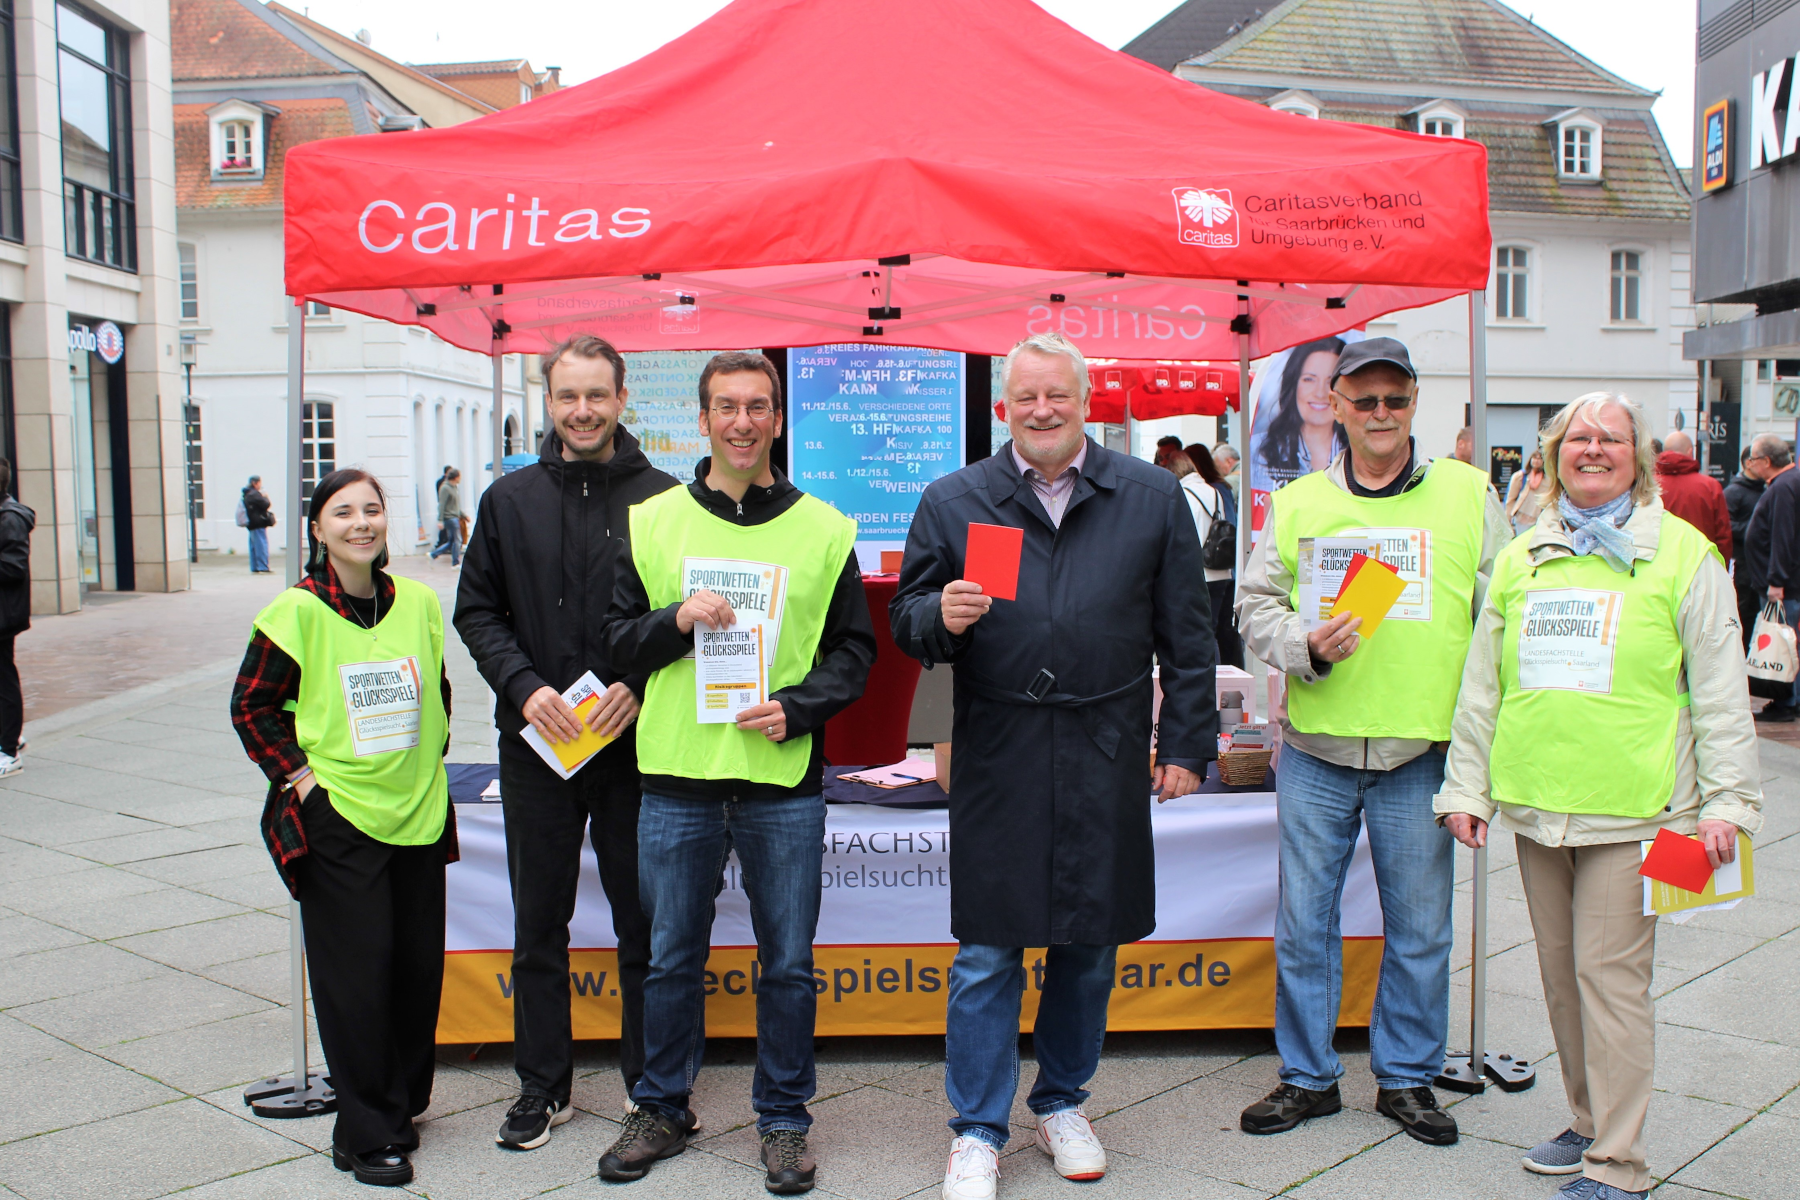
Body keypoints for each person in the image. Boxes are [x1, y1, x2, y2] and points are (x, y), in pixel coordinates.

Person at [890, 332, 1216, 1200]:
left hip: (1106, 746)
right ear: (1004, 407)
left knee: (1089, 942)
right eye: (1026, 397)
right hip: (998, 748)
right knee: (988, 949)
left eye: (1057, 396)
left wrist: (1188, 744)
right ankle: (976, 1128)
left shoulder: (1150, 496)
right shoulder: (956, 499)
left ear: (1085, 402)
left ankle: (1063, 1100)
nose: (1042, 411)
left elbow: (1188, 636)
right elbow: (906, 621)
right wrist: (939, 616)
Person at [1436, 391, 1761, 1200]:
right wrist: (1466, 787)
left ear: (1637, 457)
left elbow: (1721, 689)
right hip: (1538, 804)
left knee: (1609, 981)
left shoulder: (1683, 555)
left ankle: (1618, 1164)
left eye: (1610, 439)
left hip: (1640, 810)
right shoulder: (1523, 557)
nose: (1592, 449)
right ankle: (1587, 1122)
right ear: (1552, 457)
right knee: (1560, 978)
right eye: (1576, 438)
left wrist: (1727, 804)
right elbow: (1484, 686)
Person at [599, 351, 875, 1193]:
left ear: (778, 420)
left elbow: (854, 651)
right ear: (704, 419)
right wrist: (675, 620)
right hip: (675, 776)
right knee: (670, 957)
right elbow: (614, 640)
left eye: (758, 407)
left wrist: (800, 705)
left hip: (779, 781)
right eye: (727, 406)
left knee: (786, 961)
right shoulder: (653, 522)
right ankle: (661, 1106)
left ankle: (785, 1119)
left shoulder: (824, 529)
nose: (743, 422)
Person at [1235, 336, 1510, 1146]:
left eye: (1395, 398)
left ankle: (1407, 1078)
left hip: (1420, 753)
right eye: (1364, 399)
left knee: (1421, 928)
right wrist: (1302, 644)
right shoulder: (1299, 502)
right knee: (1304, 925)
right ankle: (1308, 1077)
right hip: (1317, 748)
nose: (1380, 413)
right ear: (1338, 407)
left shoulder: (1468, 493)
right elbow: (1254, 606)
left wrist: (1486, 748)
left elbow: (1502, 614)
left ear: (1414, 403)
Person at [453, 335, 678, 1150]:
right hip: (536, 747)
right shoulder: (506, 501)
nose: (582, 411)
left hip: (633, 748)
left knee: (643, 926)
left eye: (596, 395)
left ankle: (650, 1089)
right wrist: (523, 686)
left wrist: (641, 684)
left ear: (622, 398)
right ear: (548, 402)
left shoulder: (665, 502)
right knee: (538, 923)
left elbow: (685, 620)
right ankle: (542, 1087)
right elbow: (477, 611)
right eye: (567, 396)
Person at [230, 468, 455, 1188]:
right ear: (319, 529)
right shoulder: (294, 611)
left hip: (417, 810)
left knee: (416, 971)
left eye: (372, 510)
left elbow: (436, 689)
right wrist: (304, 782)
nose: (361, 523)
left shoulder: (417, 601)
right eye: (343, 512)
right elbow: (250, 707)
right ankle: (363, 1134)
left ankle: (401, 1103)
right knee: (356, 979)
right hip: (339, 816)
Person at [1743, 437, 1800, 721]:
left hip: (1782, 585)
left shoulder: (1783, 486)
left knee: (1782, 643)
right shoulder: (1788, 482)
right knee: (1787, 642)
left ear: (1766, 461)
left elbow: (1782, 534)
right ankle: (1788, 699)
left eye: (1753, 459)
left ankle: (1785, 702)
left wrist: (1776, 580)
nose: (1750, 464)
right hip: (1785, 581)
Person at [1255, 337, 1346, 493]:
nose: (1320, 393)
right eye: (1309, 379)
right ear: (1293, 384)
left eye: (1331, 382)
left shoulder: (1360, 452)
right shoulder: (1259, 450)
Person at [1186, 442, 1243, 668]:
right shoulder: (1220, 487)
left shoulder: (1213, 488)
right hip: (1225, 567)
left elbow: (1227, 525)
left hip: (1215, 567)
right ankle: (1230, 676)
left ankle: (1223, 680)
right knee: (1222, 630)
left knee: (1215, 632)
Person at [1654, 430, 1732, 562]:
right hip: (1700, 563)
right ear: (1690, 452)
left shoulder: (1648, 485)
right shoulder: (1710, 486)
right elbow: (1723, 536)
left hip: (1658, 564)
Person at [0, 460, 32, 778]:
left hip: (3, 615)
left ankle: (9, 752)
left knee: (4, 681)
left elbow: (13, 567)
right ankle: (10, 736)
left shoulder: (9, 518)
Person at [1725, 440, 1774, 648]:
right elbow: (1727, 525)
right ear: (1748, 463)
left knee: (1758, 614)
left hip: (1761, 565)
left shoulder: (1766, 490)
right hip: (1742, 565)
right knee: (1742, 612)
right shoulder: (1733, 492)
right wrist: (1755, 530)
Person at [1505, 449, 1547, 535]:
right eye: (1534, 458)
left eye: (1540, 458)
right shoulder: (1520, 476)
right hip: (1521, 517)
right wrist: (1508, 517)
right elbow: (1511, 498)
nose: (1536, 461)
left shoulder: (1547, 480)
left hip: (1537, 519)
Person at [242, 476, 275, 573]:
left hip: (251, 523)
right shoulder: (255, 494)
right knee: (261, 545)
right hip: (258, 522)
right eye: (259, 483)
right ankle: (263, 567)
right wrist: (265, 496)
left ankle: (255, 566)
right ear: (255, 483)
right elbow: (266, 504)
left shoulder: (246, 494)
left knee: (253, 546)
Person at [429, 469, 463, 565]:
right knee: (458, 540)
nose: (460, 478)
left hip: (455, 516)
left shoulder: (454, 488)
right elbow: (442, 504)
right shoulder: (445, 488)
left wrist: (463, 515)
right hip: (450, 518)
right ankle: (455, 563)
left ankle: (433, 555)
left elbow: (455, 505)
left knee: (452, 541)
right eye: (459, 476)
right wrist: (440, 520)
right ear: (456, 477)